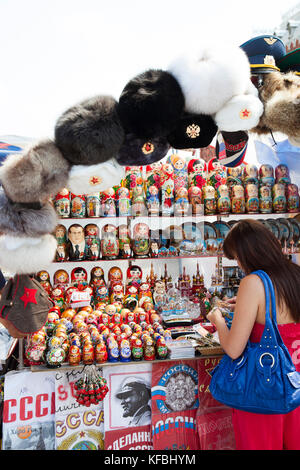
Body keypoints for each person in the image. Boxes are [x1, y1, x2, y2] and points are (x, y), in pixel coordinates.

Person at [207, 219, 300, 450]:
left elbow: (234, 349)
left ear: (247, 253)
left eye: (237, 257)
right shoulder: (294, 275)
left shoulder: (253, 282)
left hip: (264, 392)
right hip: (295, 386)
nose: (238, 264)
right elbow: (281, 311)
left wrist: (218, 320)